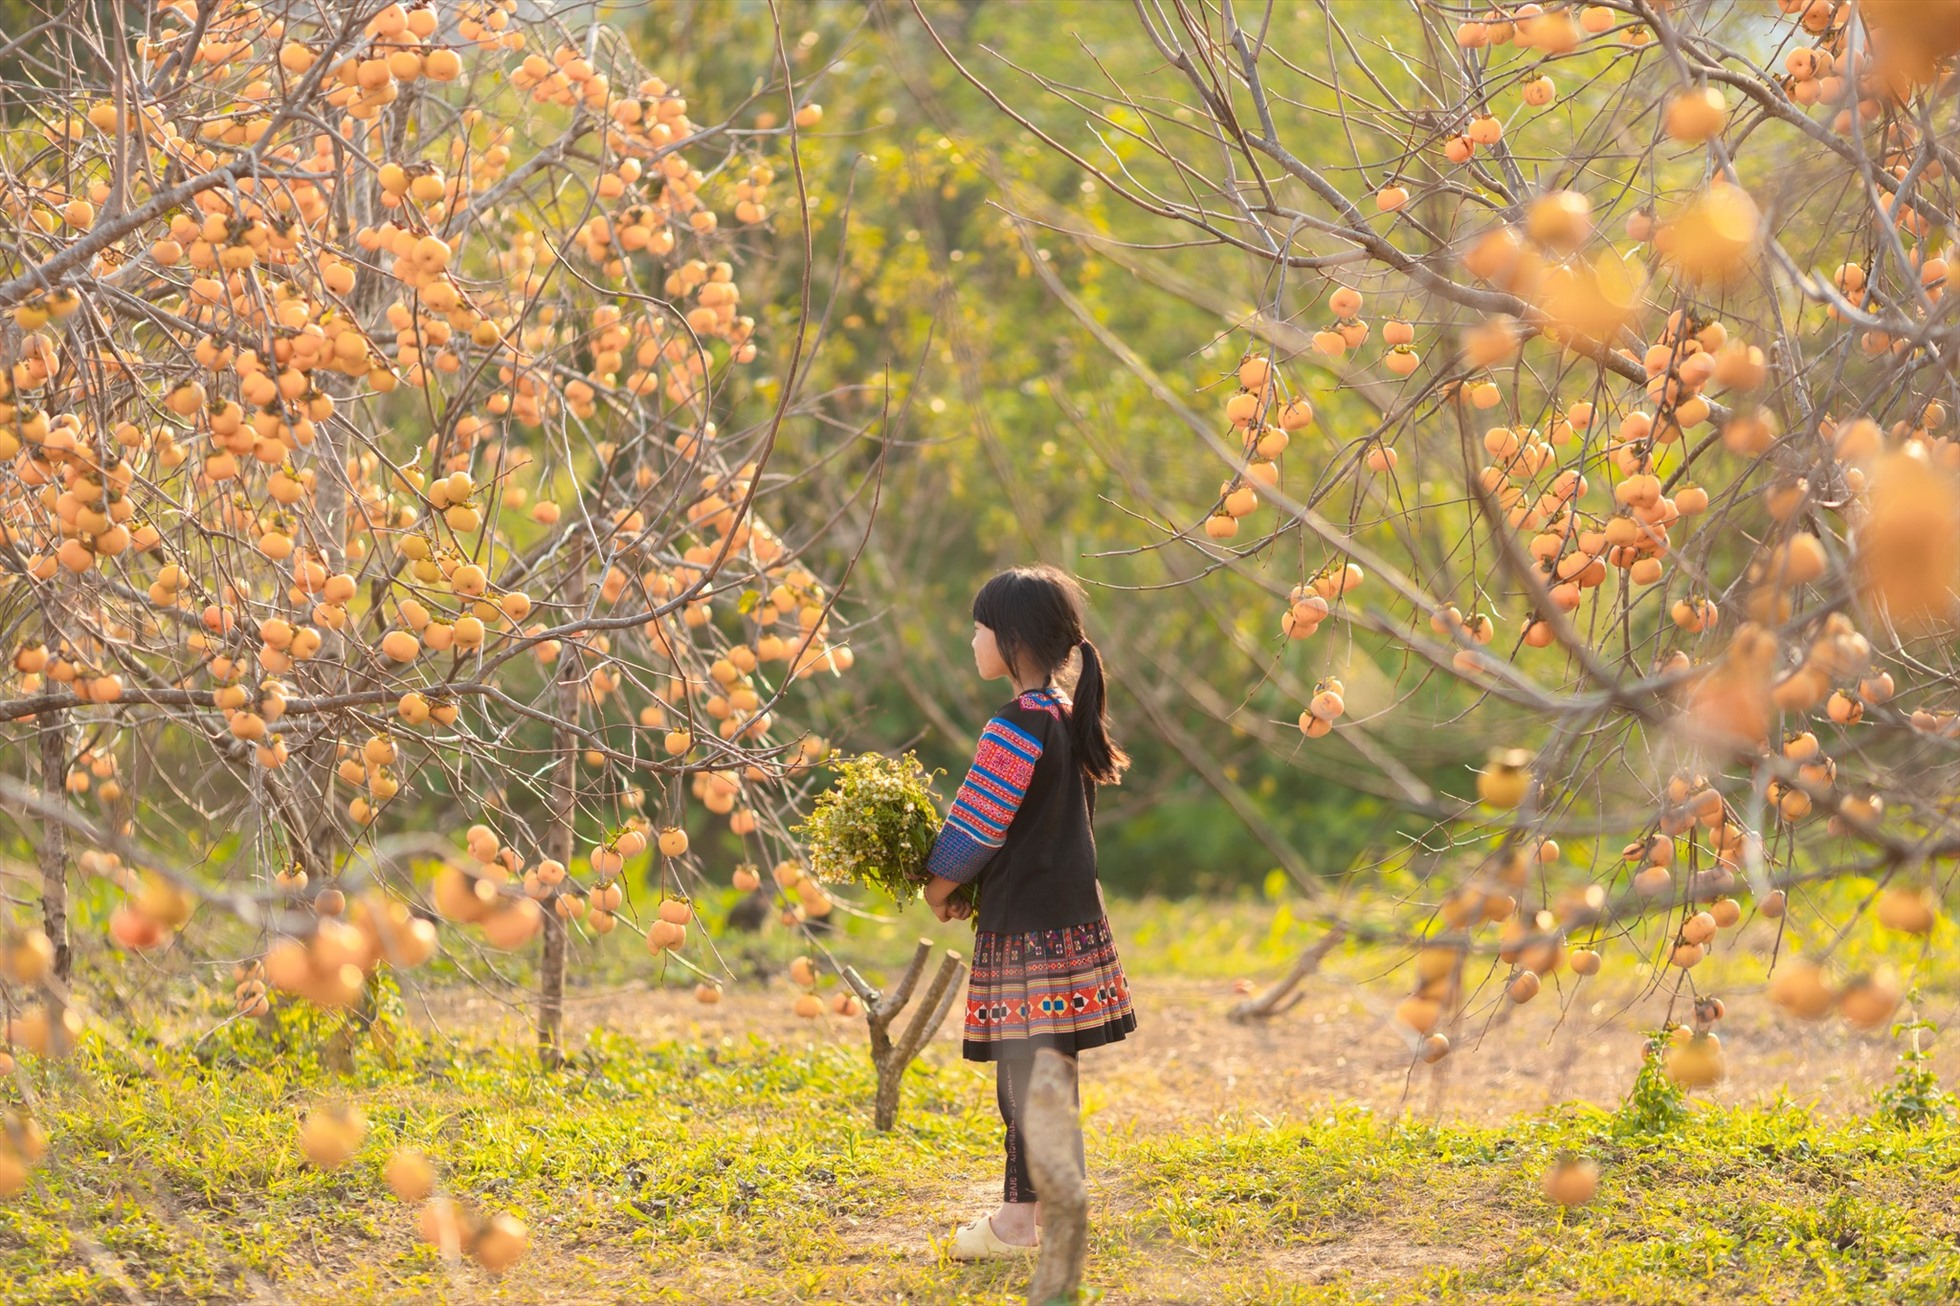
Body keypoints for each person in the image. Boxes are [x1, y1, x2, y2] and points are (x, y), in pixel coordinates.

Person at [920, 564, 1137, 1260]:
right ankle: (1055, 1210)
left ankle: (1017, 1224)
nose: (972, 640)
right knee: (1051, 1072)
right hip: (1069, 922)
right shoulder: (1065, 715)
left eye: (980, 628)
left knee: (1022, 1076)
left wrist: (939, 886)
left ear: (1012, 639)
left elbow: (977, 826)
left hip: (1027, 935)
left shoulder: (1014, 725)